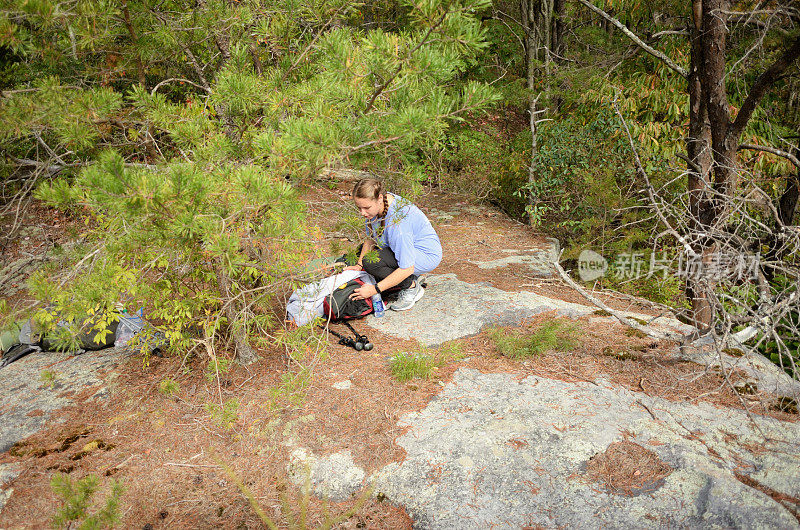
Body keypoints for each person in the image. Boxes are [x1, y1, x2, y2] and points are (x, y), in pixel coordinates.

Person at [343, 178, 442, 311]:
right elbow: (371, 239)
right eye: (359, 207)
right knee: (363, 255)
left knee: (372, 263)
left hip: (425, 255)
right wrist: (359, 266)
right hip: (402, 247)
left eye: (366, 208)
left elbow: (407, 267)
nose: (362, 212)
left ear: (379, 198)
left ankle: (411, 286)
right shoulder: (380, 204)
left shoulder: (397, 222)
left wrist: (374, 290)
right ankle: (407, 279)